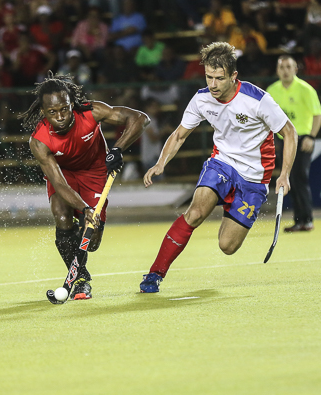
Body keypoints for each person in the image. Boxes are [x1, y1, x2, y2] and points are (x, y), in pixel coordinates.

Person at [139, 42, 298, 293]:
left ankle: (234, 205)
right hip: (221, 163)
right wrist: (161, 163)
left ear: (234, 76)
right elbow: (180, 135)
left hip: (254, 177)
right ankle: (155, 274)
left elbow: (289, 132)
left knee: (227, 246)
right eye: (208, 77)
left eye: (219, 78)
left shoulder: (257, 100)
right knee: (195, 213)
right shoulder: (202, 99)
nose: (212, 84)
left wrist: (285, 174)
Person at [20, 72, 149, 300]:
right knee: (61, 216)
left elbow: (140, 118)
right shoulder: (38, 141)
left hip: (96, 172)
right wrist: (85, 209)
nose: (60, 116)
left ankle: (84, 235)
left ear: (72, 103)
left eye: (64, 109)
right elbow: (58, 183)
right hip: (64, 176)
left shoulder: (92, 112)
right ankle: (80, 279)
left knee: (92, 241)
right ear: (43, 112)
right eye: (52, 112)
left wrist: (117, 149)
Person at [266, 55, 321, 232]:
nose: (285, 71)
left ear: (295, 69)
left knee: (300, 177)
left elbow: (318, 114)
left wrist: (311, 137)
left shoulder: (305, 89)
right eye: (282, 67)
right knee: (290, 178)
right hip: (284, 139)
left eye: (289, 67)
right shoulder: (272, 90)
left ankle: (306, 219)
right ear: (277, 71)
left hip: (302, 138)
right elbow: (266, 117)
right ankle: (300, 220)